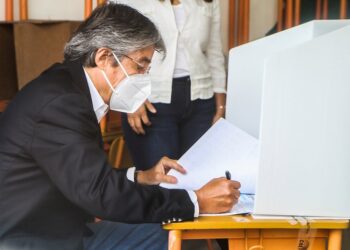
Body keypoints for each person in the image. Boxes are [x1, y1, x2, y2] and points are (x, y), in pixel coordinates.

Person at [0, 3, 241, 250]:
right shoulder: (61, 105)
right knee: (178, 236)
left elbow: (86, 175)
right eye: (139, 66)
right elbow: (100, 193)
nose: (143, 79)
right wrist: (196, 200)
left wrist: (141, 177)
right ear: (104, 57)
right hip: (31, 238)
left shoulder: (67, 88)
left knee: (172, 231)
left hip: (51, 228)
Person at [115, 0, 227, 171]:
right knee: (161, 184)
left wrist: (220, 106)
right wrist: (129, 96)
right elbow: (113, 49)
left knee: (198, 179)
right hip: (150, 102)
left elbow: (214, 51)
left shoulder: (208, 2)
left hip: (201, 101)